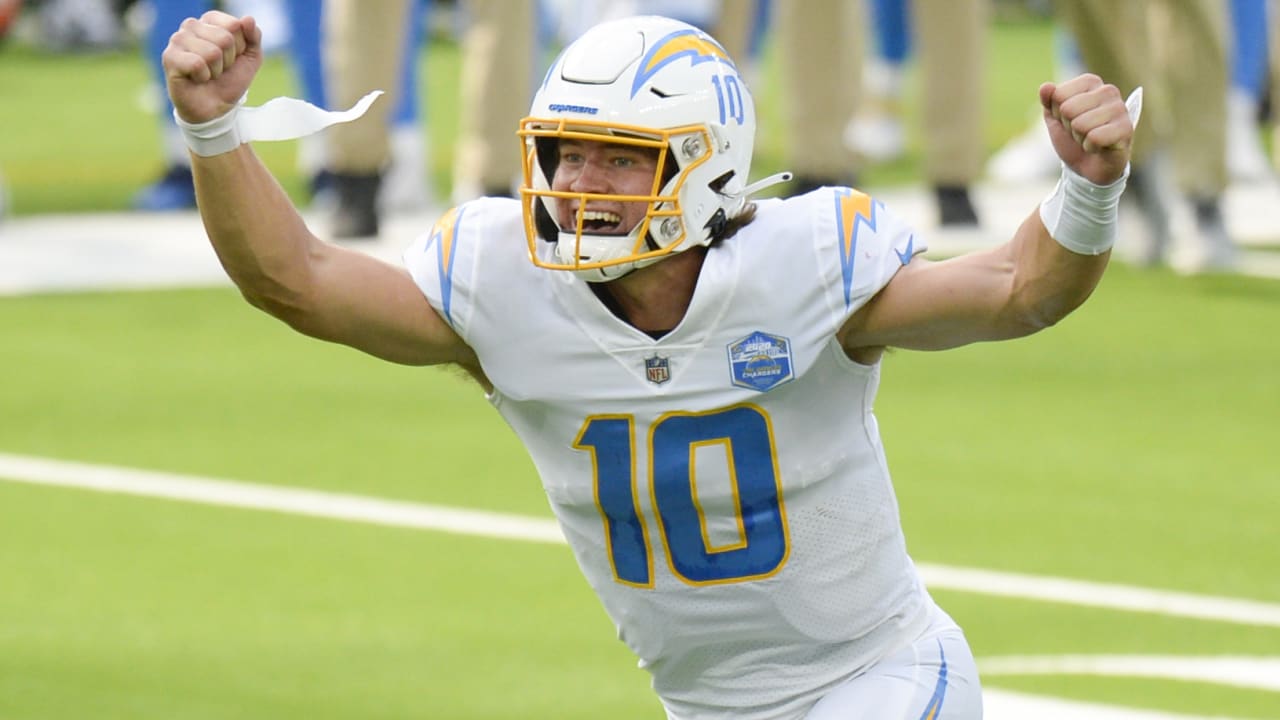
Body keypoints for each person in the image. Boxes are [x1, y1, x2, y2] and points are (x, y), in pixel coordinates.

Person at [163, 11, 1136, 718]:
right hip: (702, 707)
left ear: (705, 163)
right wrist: (213, 129)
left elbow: (1018, 289)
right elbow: (297, 279)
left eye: (619, 159)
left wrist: (1086, 189)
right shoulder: (503, 285)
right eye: (566, 155)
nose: (581, 185)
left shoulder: (799, 265)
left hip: (874, 678)